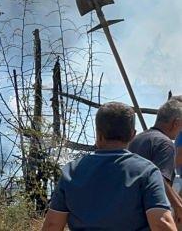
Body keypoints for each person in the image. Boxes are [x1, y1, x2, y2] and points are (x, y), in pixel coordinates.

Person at [42, 102, 175, 231]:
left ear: (98, 135)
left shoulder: (71, 171)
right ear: (132, 135)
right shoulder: (147, 172)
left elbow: (52, 225)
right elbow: (161, 224)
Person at [129, 95, 182, 224]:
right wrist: (177, 206)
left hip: (130, 208)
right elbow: (159, 178)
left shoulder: (137, 139)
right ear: (176, 123)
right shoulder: (165, 144)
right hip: (149, 212)